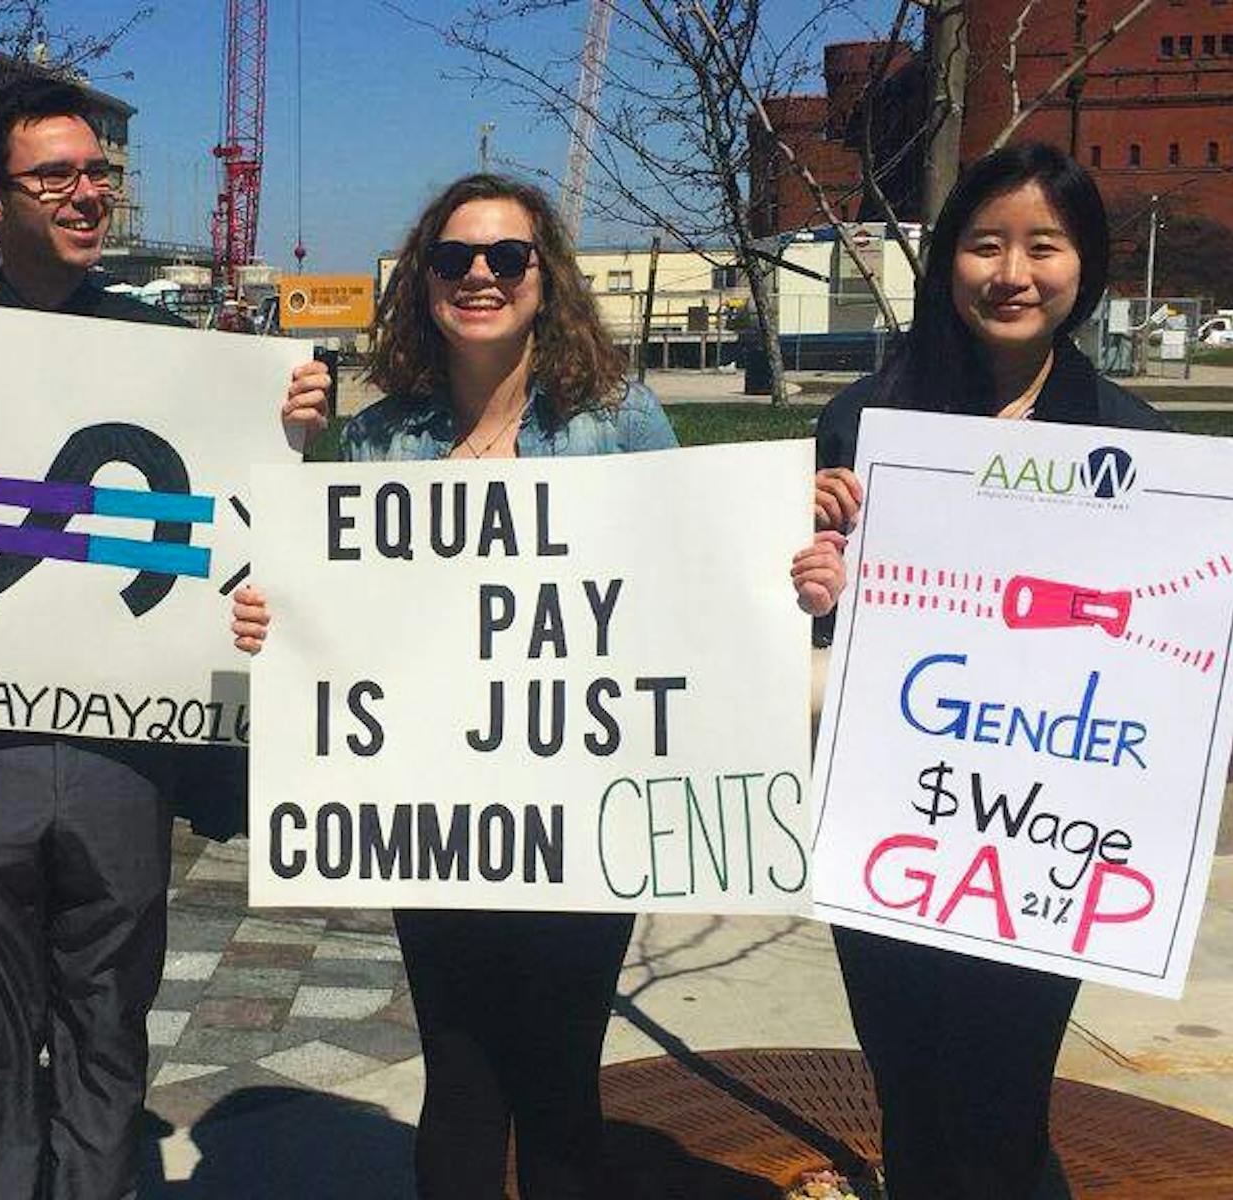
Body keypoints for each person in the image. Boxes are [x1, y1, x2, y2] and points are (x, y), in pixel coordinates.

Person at [231, 172, 846, 1198]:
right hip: (433, 817)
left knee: (559, 1079)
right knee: (461, 1078)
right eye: (453, 258)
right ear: (422, 281)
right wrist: (273, 616)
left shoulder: (616, 420)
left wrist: (792, 577)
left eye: (504, 257)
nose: (478, 275)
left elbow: (695, 574)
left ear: (542, 278)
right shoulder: (383, 439)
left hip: (581, 816)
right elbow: (339, 611)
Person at [0, 76, 326, 1199]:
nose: (87, 194)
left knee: (108, 1018)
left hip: (120, 749)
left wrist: (282, 440)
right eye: (56, 176)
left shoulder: (172, 354)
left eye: (99, 173)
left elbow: (245, 534)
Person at [810, 142, 1168, 1199]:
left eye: (1041, 247)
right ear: (945, 261)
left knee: (1006, 1113)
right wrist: (813, 566)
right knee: (910, 1104)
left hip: (1043, 833)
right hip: (894, 822)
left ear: (1084, 266)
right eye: (982, 244)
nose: (1010, 272)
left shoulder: (1135, 442)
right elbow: (821, 618)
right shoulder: (863, 423)